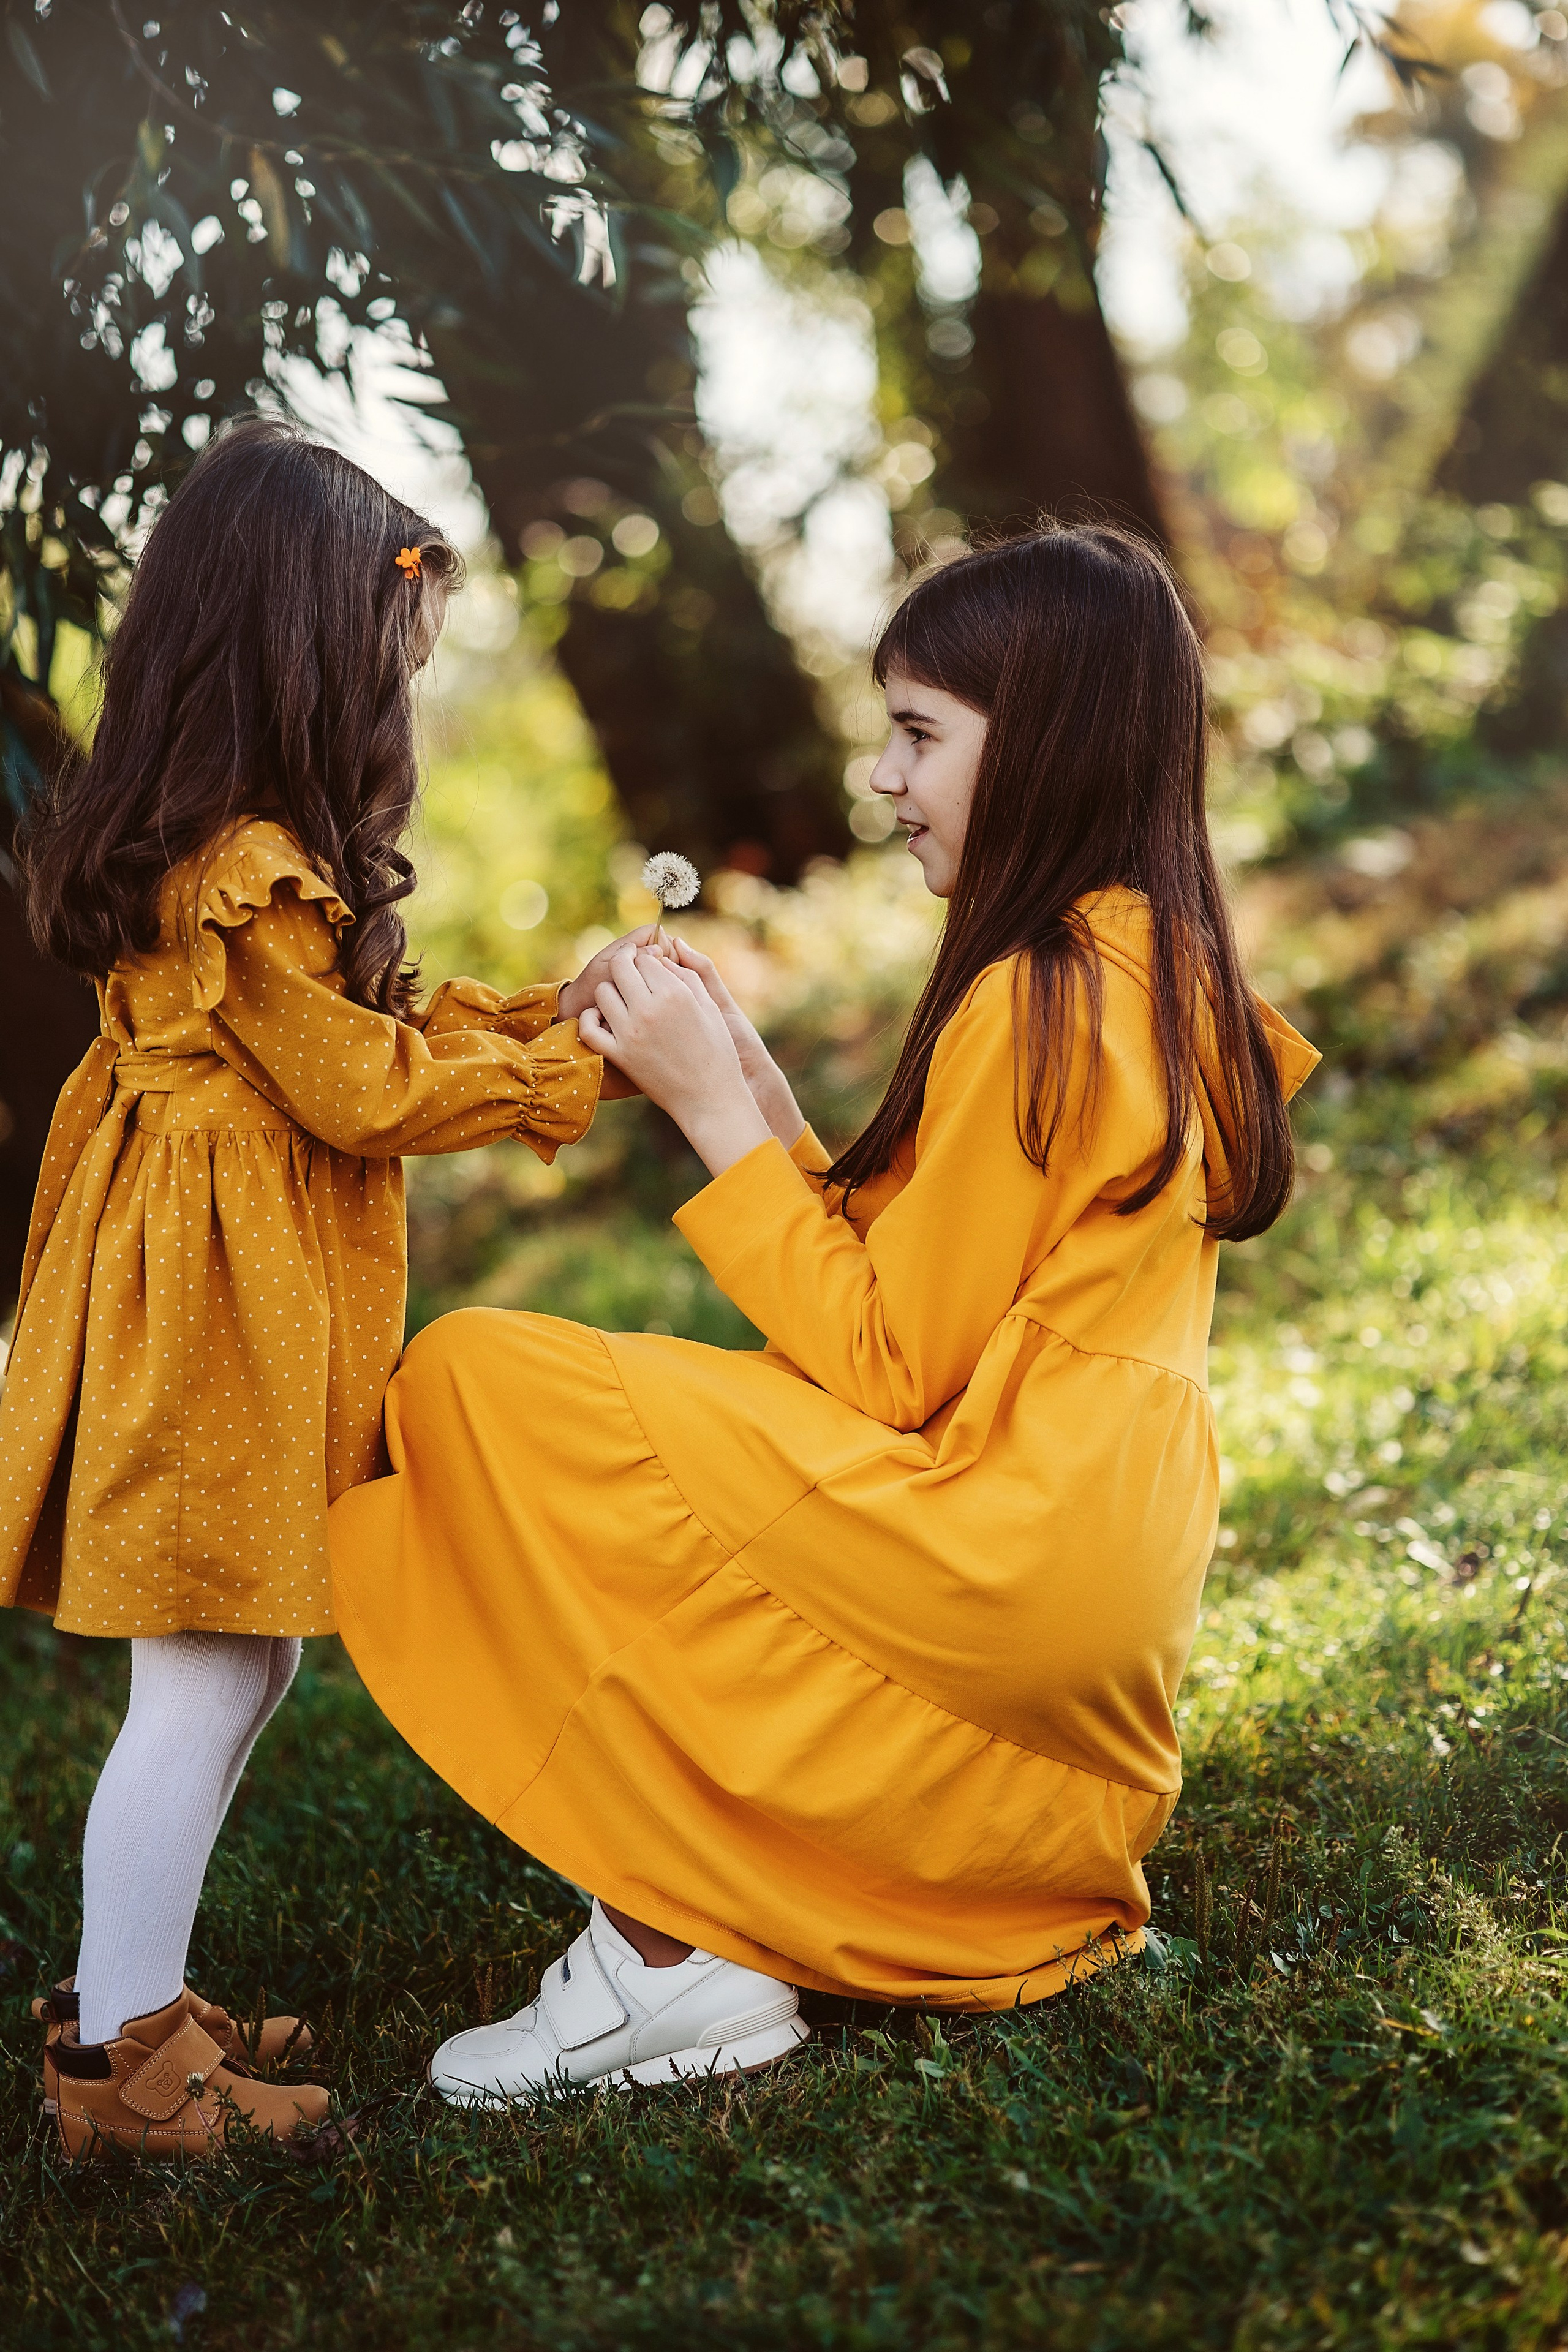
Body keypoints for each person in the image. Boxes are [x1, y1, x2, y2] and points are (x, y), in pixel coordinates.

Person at [328, 522, 1319, 2104]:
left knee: (475, 1381)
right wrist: (761, 1095)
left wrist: (718, 1117)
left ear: (1050, 737)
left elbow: (885, 1368)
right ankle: (719, 1920)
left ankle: (670, 1955)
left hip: (999, 1555)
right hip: (1080, 1587)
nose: (883, 776)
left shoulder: (1046, 993)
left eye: (921, 734)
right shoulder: (1149, 973)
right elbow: (917, 1291)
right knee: (611, 1427)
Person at [1, 418, 645, 2157]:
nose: (401, 703)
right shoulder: (237, 863)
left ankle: (134, 1996)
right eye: (392, 660)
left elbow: (360, 1036)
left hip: (226, 1291)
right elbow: (361, 1091)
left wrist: (538, 1019)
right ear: (307, 642)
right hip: (205, 1304)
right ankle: (124, 2070)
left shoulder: (240, 848)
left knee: (248, 1662)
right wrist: (561, 1083)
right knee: (203, 1678)